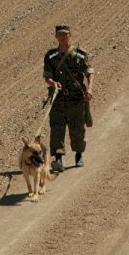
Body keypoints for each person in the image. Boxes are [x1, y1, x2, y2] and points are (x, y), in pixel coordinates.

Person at [43, 25, 95, 172]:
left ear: (70, 35)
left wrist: (90, 89)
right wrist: (53, 83)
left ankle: (79, 156)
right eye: (59, 35)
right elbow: (47, 76)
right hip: (58, 99)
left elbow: (89, 72)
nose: (62, 37)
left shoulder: (79, 54)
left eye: (65, 34)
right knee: (56, 129)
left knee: (77, 129)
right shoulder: (51, 56)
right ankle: (58, 159)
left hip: (76, 99)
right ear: (55, 37)